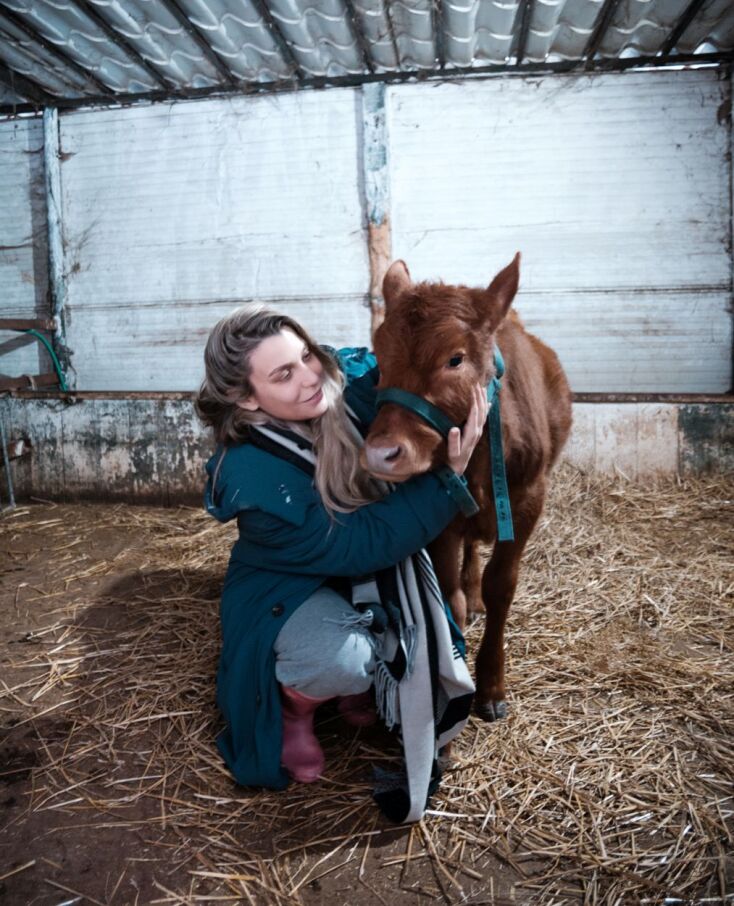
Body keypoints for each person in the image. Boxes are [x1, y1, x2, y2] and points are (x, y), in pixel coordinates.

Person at [196, 305, 487, 822]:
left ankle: (351, 688)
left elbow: (418, 358)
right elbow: (362, 545)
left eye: (305, 355)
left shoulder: (334, 388)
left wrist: (474, 338)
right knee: (347, 659)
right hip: (288, 591)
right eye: (283, 374)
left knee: (396, 630)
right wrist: (449, 479)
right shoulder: (254, 475)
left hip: (353, 576)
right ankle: (294, 709)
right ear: (246, 398)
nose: (309, 378)